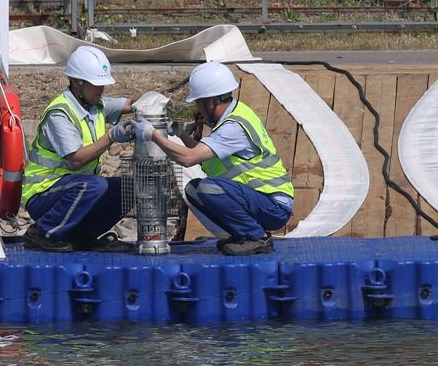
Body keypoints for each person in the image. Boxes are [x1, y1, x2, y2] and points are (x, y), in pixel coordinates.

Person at [140, 61, 293, 256]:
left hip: (273, 205)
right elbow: (203, 154)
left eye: (198, 103)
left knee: (206, 188)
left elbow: (189, 159)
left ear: (210, 100)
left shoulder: (233, 127)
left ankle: (257, 238)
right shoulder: (235, 115)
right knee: (194, 190)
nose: (198, 110)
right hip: (258, 199)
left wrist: (152, 134)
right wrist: (180, 134)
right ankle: (243, 234)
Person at [20, 45, 148, 252]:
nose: (101, 89)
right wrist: (111, 137)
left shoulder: (96, 105)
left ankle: (82, 237)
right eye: (96, 84)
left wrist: (149, 100)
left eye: (103, 84)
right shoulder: (60, 113)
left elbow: (129, 104)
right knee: (94, 186)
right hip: (43, 194)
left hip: (71, 190)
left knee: (128, 189)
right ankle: (43, 232)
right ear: (78, 83)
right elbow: (77, 160)